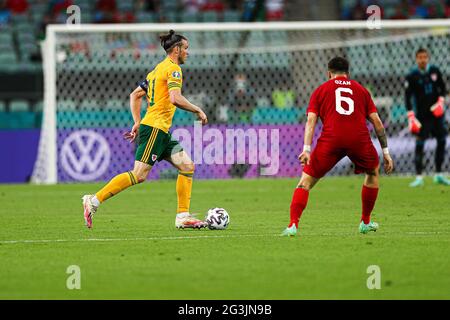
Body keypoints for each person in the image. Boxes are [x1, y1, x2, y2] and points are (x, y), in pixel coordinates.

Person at [82, 30, 208, 229]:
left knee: (187, 166)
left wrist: (137, 121)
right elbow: (175, 98)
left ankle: (182, 216)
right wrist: (197, 109)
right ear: (176, 49)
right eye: (185, 48)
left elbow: (135, 95)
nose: (187, 53)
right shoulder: (173, 69)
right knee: (139, 175)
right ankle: (93, 200)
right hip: (155, 129)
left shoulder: (156, 70)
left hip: (161, 131)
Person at [281, 57, 394, 237]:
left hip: (331, 140)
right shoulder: (361, 90)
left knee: (305, 183)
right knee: (373, 172)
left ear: (329, 73)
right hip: (359, 139)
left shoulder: (320, 90)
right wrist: (386, 152)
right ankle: (365, 222)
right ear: (348, 74)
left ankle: (293, 225)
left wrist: (307, 148)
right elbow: (377, 123)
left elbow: (311, 120)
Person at [405, 47, 449, 187]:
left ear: (428, 58)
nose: (423, 60)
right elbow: (407, 97)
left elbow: (443, 88)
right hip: (422, 116)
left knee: (442, 141)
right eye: (420, 57)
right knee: (419, 144)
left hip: (437, 115)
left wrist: (441, 102)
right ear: (416, 59)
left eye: (425, 57)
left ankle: (438, 174)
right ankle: (419, 177)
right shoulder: (412, 75)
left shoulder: (435, 71)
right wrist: (411, 116)